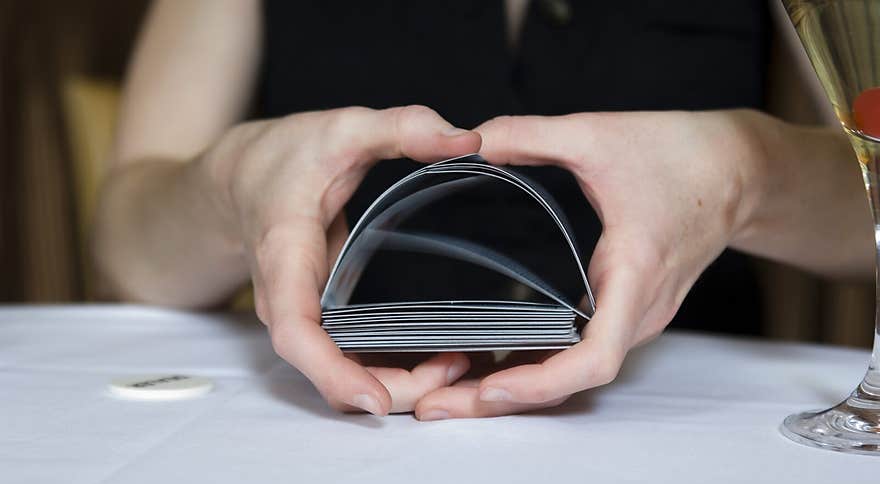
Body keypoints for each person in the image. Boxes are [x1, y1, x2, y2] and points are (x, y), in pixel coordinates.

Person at [93, 0, 872, 420]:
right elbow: (129, 242)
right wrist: (232, 181)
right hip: (333, 436)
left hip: (680, 425)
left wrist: (745, 171)